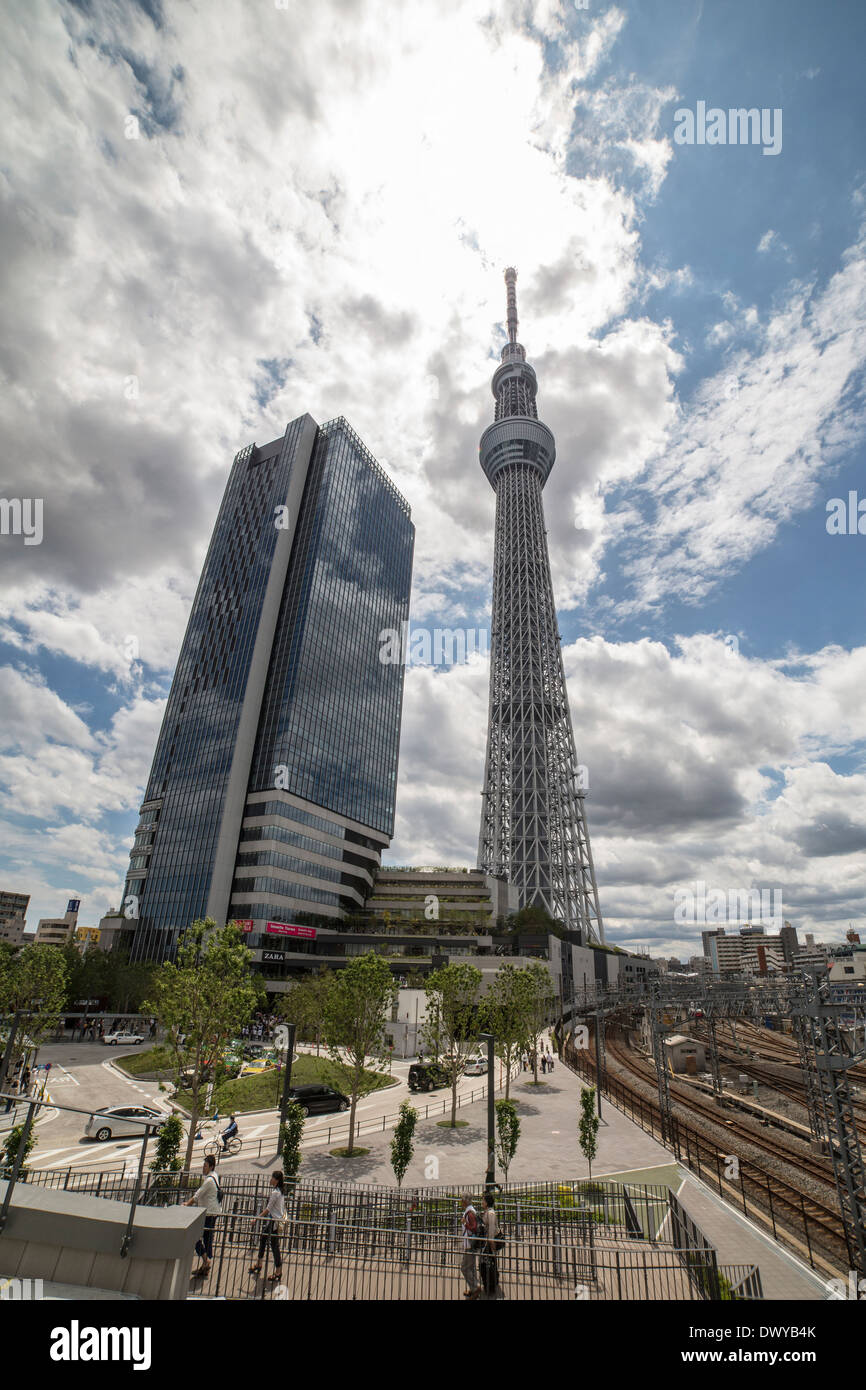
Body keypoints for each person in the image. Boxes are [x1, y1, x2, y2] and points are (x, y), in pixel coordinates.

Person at [185, 1154, 221, 1278]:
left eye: (205, 1166)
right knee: (208, 1239)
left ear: (211, 1167)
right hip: (212, 1212)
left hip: (208, 1213)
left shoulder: (210, 1180)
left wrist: (187, 1204)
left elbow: (197, 1195)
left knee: (195, 1236)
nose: (203, 1168)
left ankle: (206, 1261)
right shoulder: (215, 1176)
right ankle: (206, 1265)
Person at [249, 1171, 285, 1281]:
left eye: (272, 1178)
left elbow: (268, 1209)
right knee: (264, 1239)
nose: (270, 1179)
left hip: (274, 1221)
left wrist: (256, 1218)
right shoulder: (279, 1191)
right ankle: (259, 1264)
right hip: (274, 1220)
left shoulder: (275, 1193)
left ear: (276, 1180)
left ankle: (277, 1271)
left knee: (274, 1246)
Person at [480, 1192, 501, 1298]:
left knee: (486, 1263)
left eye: (483, 1200)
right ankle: (492, 1282)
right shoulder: (487, 1211)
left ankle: (490, 1286)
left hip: (490, 1241)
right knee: (491, 1261)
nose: (481, 1202)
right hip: (488, 1240)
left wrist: (491, 1242)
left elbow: (492, 1228)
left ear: (487, 1202)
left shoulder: (491, 1213)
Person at [460, 1194, 481, 1298]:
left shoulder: (470, 1213)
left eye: (461, 1200)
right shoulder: (471, 1211)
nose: (460, 1202)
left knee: (464, 1268)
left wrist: (464, 1223)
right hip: (469, 1243)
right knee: (471, 1267)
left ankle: (474, 1288)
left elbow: (473, 1228)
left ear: (465, 1201)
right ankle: (474, 1288)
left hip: (470, 1244)